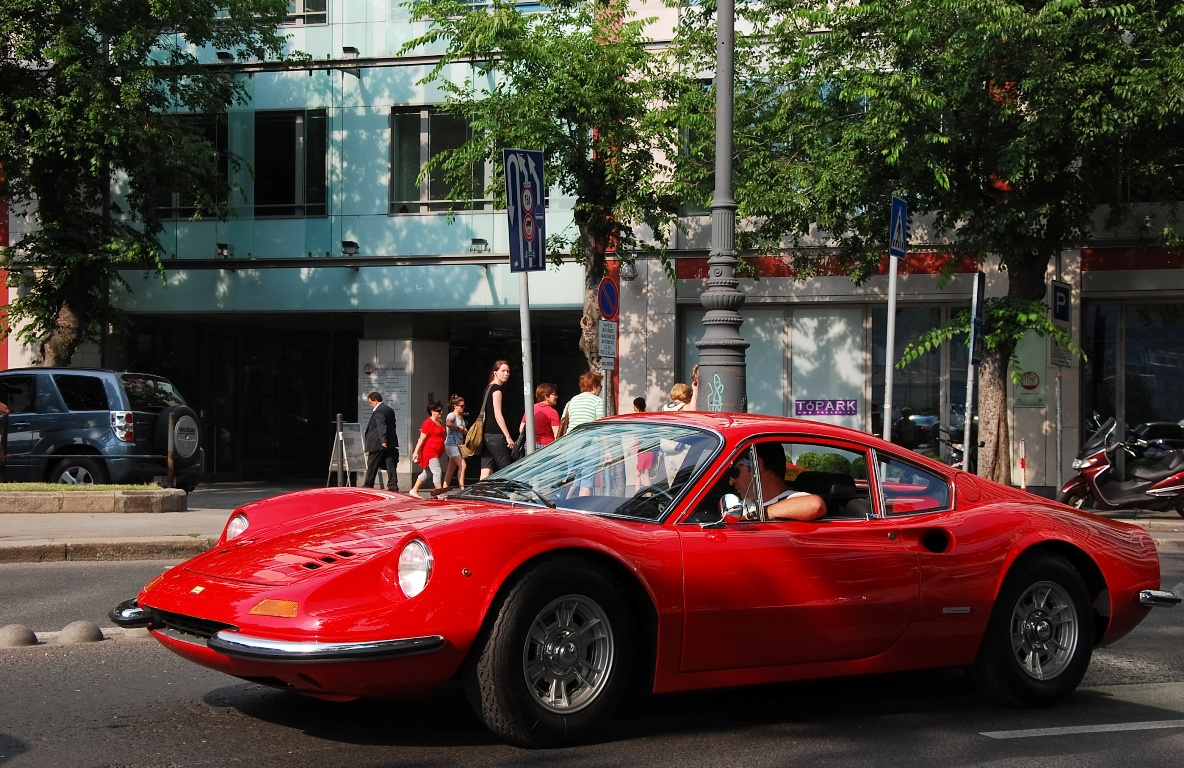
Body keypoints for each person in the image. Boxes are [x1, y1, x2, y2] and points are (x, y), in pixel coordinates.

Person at [728, 442, 825, 521]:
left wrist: (759, 513)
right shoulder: (745, 503)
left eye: (735, 472)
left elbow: (815, 505)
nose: (731, 481)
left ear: (757, 465)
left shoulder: (791, 498)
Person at [560, 372, 605, 497]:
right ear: (594, 386)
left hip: (572, 443)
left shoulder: (572, 401)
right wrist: (608, 451)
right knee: (586, 482)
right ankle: (583, 509)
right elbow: (600, 425)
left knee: (573, 480)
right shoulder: (597, 401)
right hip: (590, 444)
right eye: (600, 386)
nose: (601, 389)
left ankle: (566, 505)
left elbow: (564, 420)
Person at [480, 360, 514, 479]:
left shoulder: (488, 388)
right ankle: (510, 495)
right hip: (495, 435)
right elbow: (497, 414)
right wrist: (508, 436)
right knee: (506, 468)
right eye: (503, 371)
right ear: (495, 373)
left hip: (486, 434)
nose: (506, 374)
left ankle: (478, 494)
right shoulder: (497, 390)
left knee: (486, 469)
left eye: (508, 371)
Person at [362, 391, 399, 491]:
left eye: (371, 402)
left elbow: (381, 425)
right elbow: (393, 425)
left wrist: (383, 440)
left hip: (378, 443)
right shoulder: (389, 410)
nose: (370, 405)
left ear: (376, 401)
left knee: (372, 464)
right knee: (390, 465)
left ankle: (368, 485)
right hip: (390, 442)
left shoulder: (379, 411)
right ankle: (393, 486)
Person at [409, 400, 447, 497]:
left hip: (436, 451)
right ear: (432, 411)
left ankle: (414, 490)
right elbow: (421, 439)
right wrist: (415, 452)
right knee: (437, 471)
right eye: (438, 411)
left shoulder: (439, 422)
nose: (441, 412)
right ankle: (440, 494)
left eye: (441, 410)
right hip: (430, 451)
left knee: (427, 472)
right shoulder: (428, 423)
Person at [441, 394, 468, 493]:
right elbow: (448, 423)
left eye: (464, 406)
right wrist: (458, 428)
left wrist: (465, 431)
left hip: (457, 444)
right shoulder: (451, 415)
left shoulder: (461, 417)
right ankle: (462, 488)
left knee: (451, 468)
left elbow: (463, 431)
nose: (463, 408)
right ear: (455, 406)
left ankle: (444, 488)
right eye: (461, 406)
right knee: (463, 465)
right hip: (451, 444)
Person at [521, 382, 560, 450]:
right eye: (554, 394)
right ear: (546, 397)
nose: (556, 397)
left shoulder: (530, 409)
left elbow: (521, 429)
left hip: (530, 445)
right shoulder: (552, 412)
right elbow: (557, 435)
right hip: (547, 447)